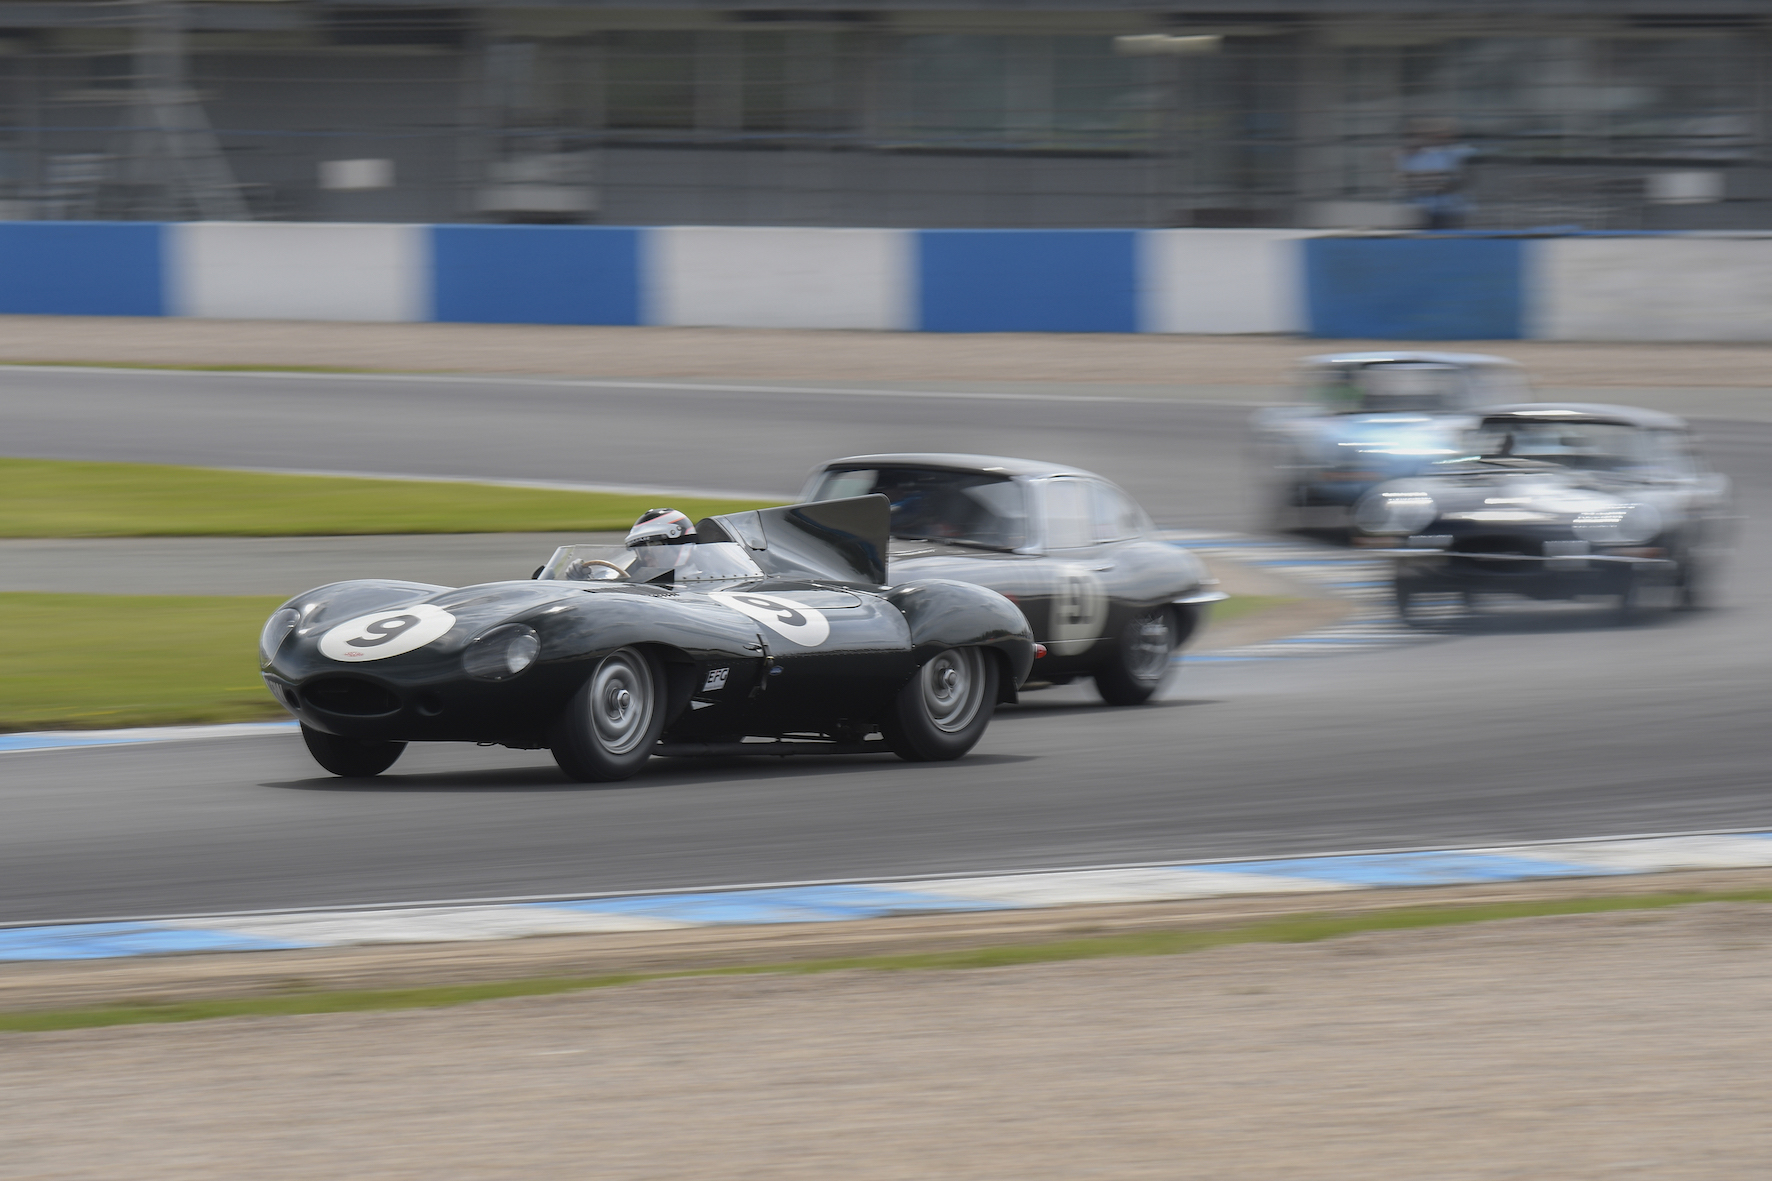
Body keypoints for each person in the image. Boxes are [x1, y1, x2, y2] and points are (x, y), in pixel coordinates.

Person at [1396, 121, 1476, 230]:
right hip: (1424, 209)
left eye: (1444, 134)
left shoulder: (1460, 151)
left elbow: (1463, 177)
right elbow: (1409, 179)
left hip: (1452, 209)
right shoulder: (1421, 156)